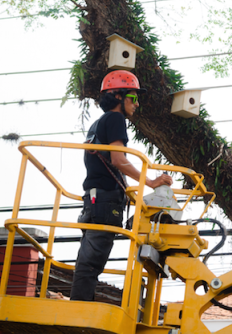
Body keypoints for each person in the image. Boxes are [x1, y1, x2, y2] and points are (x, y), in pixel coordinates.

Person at [70, 70, 173, 302]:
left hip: (96, 200)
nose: (137, 104)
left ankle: (80, 303)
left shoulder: (97, 125)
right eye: (134, 97)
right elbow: (119, 159)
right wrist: (151, 182)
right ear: (118, 96)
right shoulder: (115, 119)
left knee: (89, 258)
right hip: (104, 201)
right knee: (93, 260)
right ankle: (80, 307)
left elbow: (110, 162)